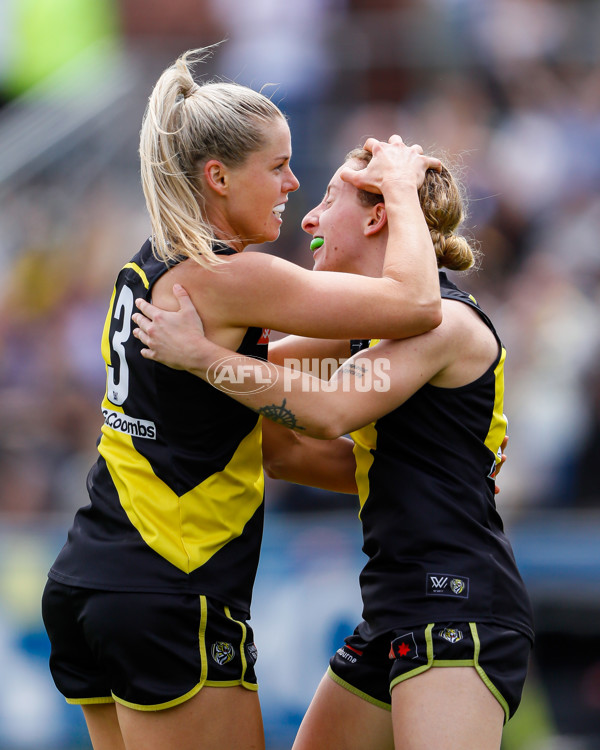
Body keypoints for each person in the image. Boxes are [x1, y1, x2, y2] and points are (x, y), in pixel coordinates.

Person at [40, 43, 444, 750]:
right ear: (218, 177)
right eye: (278, 166)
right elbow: (414, 304)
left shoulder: (145, 266)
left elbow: (278, 442)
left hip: (91, 583)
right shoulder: (230, 277)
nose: (294, 182)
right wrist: (403, 188)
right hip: (169, 587)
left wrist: (425, 480)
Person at [131, 146, 534, 750]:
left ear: (378, 218)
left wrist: (205, 356)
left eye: (325, 202)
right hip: (395, 604)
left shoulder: (444, 324)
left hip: (459, 600)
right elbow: (285, 448)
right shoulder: (363, 333)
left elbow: (326, 411)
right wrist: (220, 333)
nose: (309, 221)